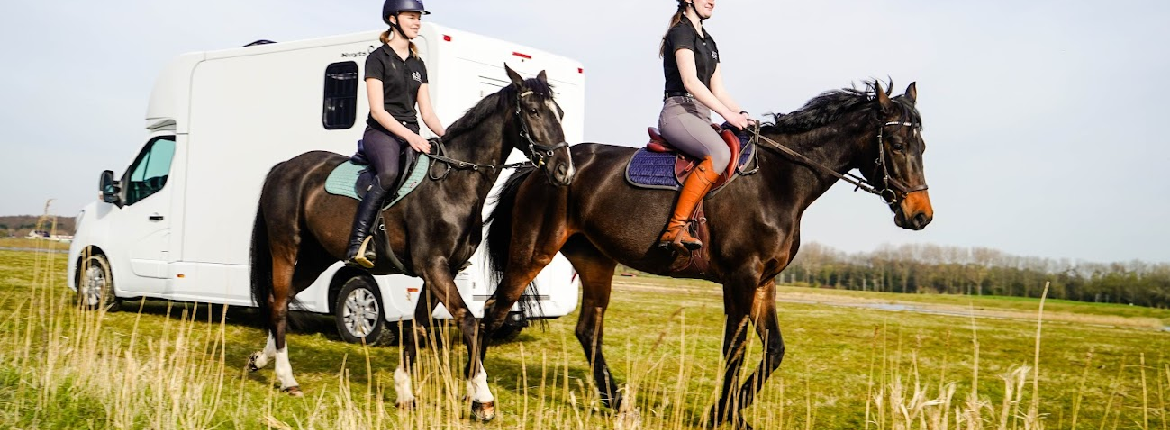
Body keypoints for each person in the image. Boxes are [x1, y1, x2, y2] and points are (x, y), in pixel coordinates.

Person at [347, 0, 446, 268]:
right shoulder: (377, 59)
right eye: (411, 17)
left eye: (419, 18)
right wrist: (412, 137)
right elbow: (378, 111)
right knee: (389, 173)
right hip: (381, 134)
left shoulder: (417, 64)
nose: (417, 22)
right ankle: (357, 243)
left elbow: (427, 114)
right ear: (393, 19)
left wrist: (447, 137)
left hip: (411, 133)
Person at [657, 0, 753, 251]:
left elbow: (718, 89)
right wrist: (727, 115)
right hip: (678, 113)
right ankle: (675, 228)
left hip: (701, 116)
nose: (713, 1)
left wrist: (742, 114)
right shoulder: (680, 32)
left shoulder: (709, 42)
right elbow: (690, 82)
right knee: (719, 153)